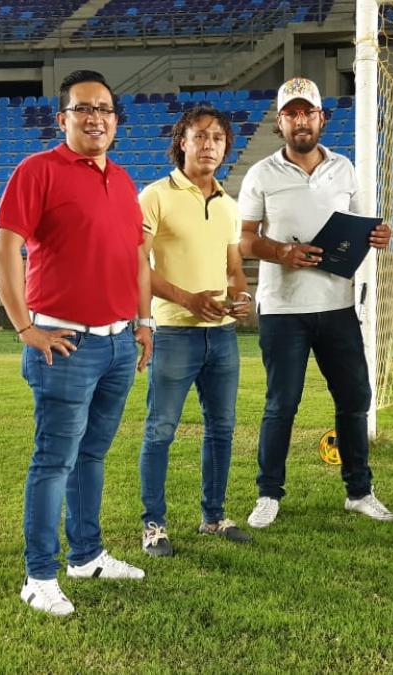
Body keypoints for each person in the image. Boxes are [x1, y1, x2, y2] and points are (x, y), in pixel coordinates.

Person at [0, 69, 156, 617]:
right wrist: (25, 328)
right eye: (83, 109)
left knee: (92, 456)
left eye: (105, 109)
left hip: (116, 345)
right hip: (64, 344)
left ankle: (86, 555)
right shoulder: (38, 170)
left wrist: (143, 321)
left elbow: (135, 256)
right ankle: (39, 575)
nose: (95, 118)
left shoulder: (124, 179)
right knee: (53, 461)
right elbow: (3, 248)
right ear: (62, 118)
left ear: (116, 120)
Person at [237, 77, 393, 529]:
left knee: (354, 399)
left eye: (308, 112)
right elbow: (245, 242)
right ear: (280, 122)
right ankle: (269, 494)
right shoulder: (261, 174)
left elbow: (366, 227)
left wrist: (377, 236)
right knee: (280, 404)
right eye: (291, 113)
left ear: (322, 118)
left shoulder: (345, 169)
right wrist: (282, 253)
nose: (300, 120)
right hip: (284, 308)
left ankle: (359, 491)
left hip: (338, 305)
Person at [136, 105, 254, 557]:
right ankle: (154, 525)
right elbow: (137, 268)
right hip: (173, 334)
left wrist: (239, 297)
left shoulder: (228, 205)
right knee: (160, 430)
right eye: (200, 136)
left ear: (226, 147)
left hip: (221, 336)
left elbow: (234, 269)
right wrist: (188, 300)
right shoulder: (155, 196)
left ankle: (214, 516)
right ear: (181, 141)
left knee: (221, 428)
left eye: (218, 138)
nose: (209, 145)